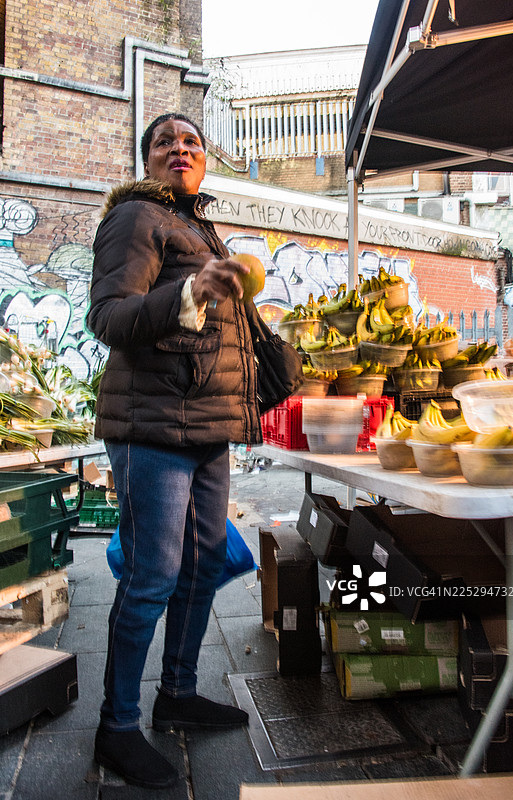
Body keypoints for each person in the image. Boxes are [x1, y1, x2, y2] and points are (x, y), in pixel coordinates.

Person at [87, 113, 264, 790]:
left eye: (192, 141)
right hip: (153, 427)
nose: (180, 149)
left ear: (205, 159)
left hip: (206, 426)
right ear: (149, 160)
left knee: (201, 566)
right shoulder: (136, 217)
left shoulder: (198, 226)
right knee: (152, 576)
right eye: (166, 141)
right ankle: (117, 728)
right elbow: (108, 316)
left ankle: (179, 694)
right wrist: (190, 290)